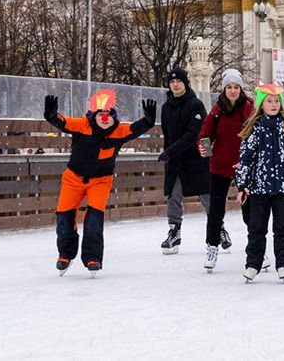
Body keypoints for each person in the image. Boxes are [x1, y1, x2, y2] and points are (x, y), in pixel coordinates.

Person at [44, 88, 157, 274]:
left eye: (109, 116)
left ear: (114, 117)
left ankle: (92, 258)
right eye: (101, 115)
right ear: (94, 115)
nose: (105, 119)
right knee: (64, 216)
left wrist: (148, 121)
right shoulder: (82, 125)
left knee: (94, 218)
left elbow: (135, 129)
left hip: (100, 181)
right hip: (73, 179)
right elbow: (63, 122)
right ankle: (65, 253)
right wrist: (50, 115)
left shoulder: (119, 132)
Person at [234, 84, 284, 281]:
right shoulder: (255, 128)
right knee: (256, 228)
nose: (274, 105)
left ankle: (283, 263)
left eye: (277, 101)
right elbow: (246, 158)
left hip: (283, 187)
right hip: (259, 188)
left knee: (283, 227)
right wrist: (243, 184)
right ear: (261, 104)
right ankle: (252, 264)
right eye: (269, 101)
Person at [198, 69, 253, 270]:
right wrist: (204, 147)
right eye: (229, 87)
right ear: (224, 89)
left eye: (236, 87)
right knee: (216, 210)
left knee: (249, 209)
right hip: (220, 165)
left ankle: (256, 249)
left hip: (243, 166)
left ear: (240, 89)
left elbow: (254, 134)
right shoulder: (216, 110)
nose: (232, 91)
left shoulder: (248, 109)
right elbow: (205, 134)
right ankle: (212, 247)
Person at [156, 66, 210, 255]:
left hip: (196, 160)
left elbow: (192, 134)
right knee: (173, 195)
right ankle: (174, 232)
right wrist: (169, 154)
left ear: (185, 83)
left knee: (207, 195)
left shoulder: (196, 105)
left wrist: (169, 152)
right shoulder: (166, 107)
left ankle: (218, 229)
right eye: (172, 82)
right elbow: (168, 134)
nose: (175, 85)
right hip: (176, 161)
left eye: (178, 81)